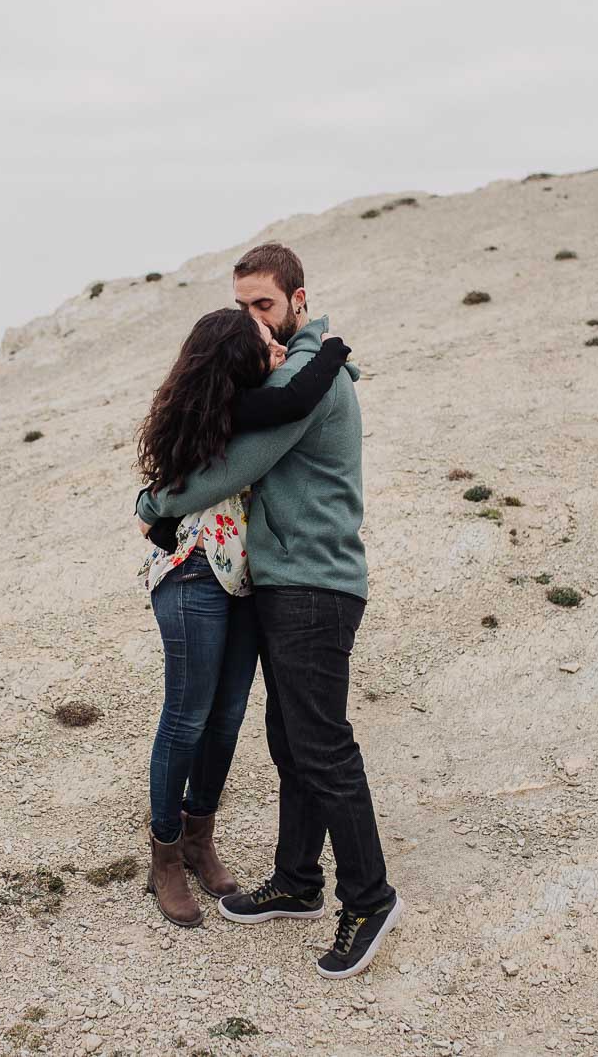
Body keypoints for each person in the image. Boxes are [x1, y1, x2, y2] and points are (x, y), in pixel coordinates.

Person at [134, 241, 402, 980]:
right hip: (291, 581)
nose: (255, 319)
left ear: (299, 301)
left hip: (315, 585)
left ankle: (368, 897)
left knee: (321, 746)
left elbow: (238, 465)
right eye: (244, 305)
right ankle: (297, 878)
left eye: (266, 305)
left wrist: (152, 503)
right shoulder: (297, 368)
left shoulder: (305, 380)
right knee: (291, 742)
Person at [134, 305, 351, 929]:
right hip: (197, 569)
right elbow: (291, 405)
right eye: (263, 339)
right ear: (235, 355)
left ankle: (200, 840)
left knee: (227, 716)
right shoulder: (226, 403)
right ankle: (166, 855)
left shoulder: (250, 395)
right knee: (188, 714)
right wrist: (332, 350)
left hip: (245, 576)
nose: (277, 346)